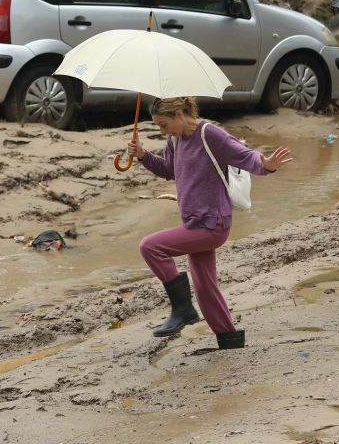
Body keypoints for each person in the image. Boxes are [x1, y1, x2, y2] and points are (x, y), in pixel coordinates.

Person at [126, 96, 293, 349]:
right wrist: (142, 155)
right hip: (194, 223)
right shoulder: (174, 139)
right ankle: (229, 340)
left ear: (180, 115)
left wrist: (267, 165)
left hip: (212, 225)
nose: (162, 130)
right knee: (205, 287)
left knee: (150, 246)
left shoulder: (209, 134)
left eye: (163, 124)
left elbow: (244, 155)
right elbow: (168, 170)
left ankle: (182, 309)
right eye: (158, 126)